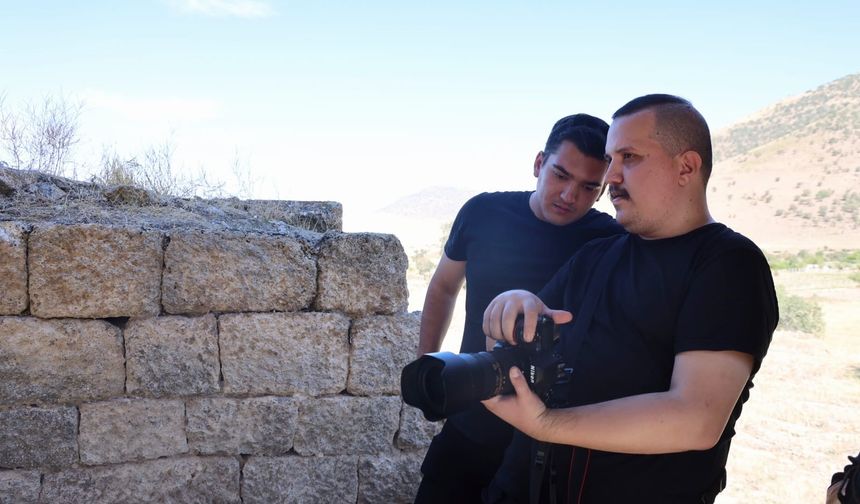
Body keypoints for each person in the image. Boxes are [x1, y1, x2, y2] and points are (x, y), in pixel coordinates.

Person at [480, 94, 779, 503]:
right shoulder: (595, 256)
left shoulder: (728, 265)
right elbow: (515, 348)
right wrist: (514, 305)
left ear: (686, 167)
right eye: (610, 160)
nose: (611, 176)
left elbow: (696, 418)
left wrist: (547, 424)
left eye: (630, 157)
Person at [414, 114, 626, 503]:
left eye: (587, 186)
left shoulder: (611, 240)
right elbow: (443, 287)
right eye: (560, 175)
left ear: (600, 191)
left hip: (551, 437)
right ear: (538, 163)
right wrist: (428, 360)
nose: (569, 195)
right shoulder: (483, 213)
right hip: (471, 415)